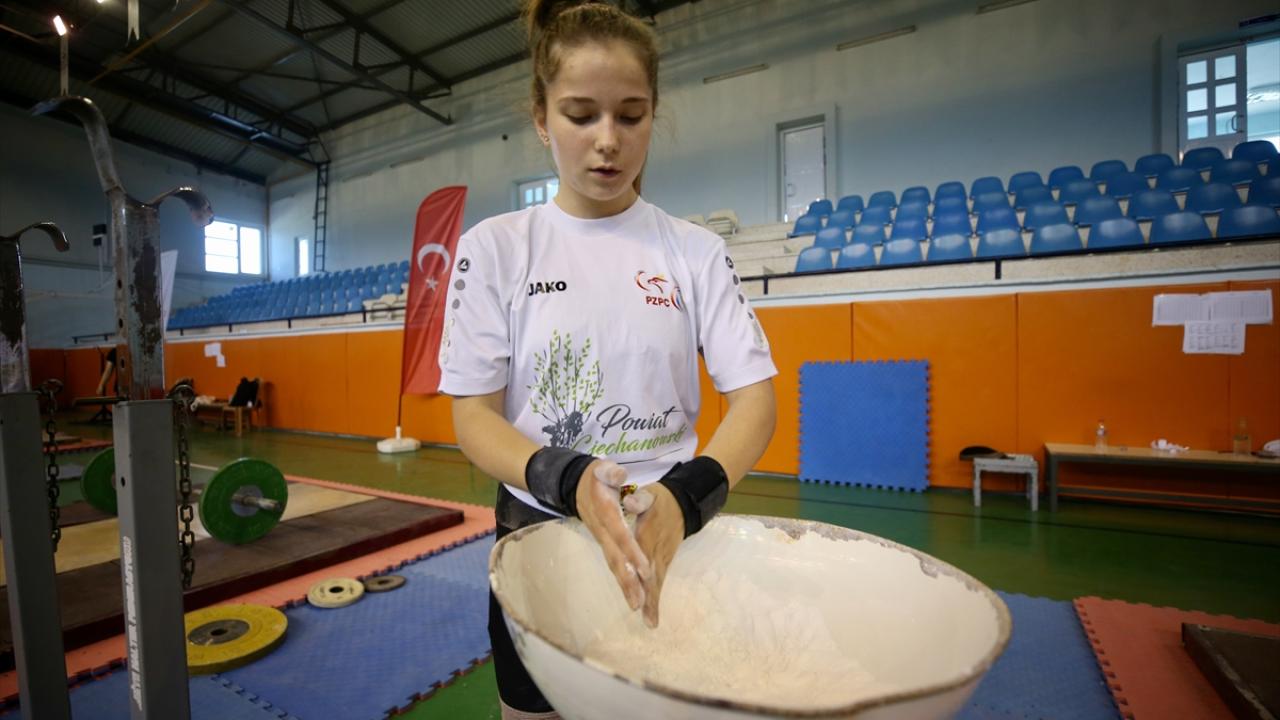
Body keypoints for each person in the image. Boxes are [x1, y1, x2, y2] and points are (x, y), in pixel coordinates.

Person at [438, 1, 777, 717]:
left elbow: (755, 401)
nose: (607, 141)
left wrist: (687, 499)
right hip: (537, 535)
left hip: (670, 535)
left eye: (630, 115)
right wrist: (566, 477)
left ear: (655, 115)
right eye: (580, 114)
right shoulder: (497, 248)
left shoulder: (694, 252)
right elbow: (473, 416)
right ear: (540, 117)